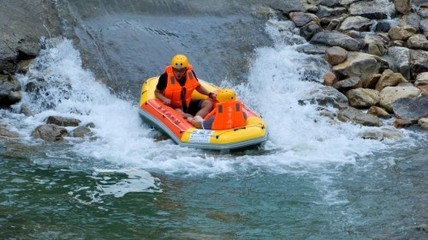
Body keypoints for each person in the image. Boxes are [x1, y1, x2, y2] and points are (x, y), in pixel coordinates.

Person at [155, 54, 216, 119]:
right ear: (172, 68)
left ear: (185, 69)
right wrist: (164, 99)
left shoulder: (190, 73)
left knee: (208, 103)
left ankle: (196, 119)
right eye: (176, 70)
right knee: (183, 114)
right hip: (175, 107)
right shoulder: (165, 77)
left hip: (188, 103)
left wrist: (209, 94)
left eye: (181, 70)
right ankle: (192, 120)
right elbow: (157, 92)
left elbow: (198, 87)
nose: (178, 73)